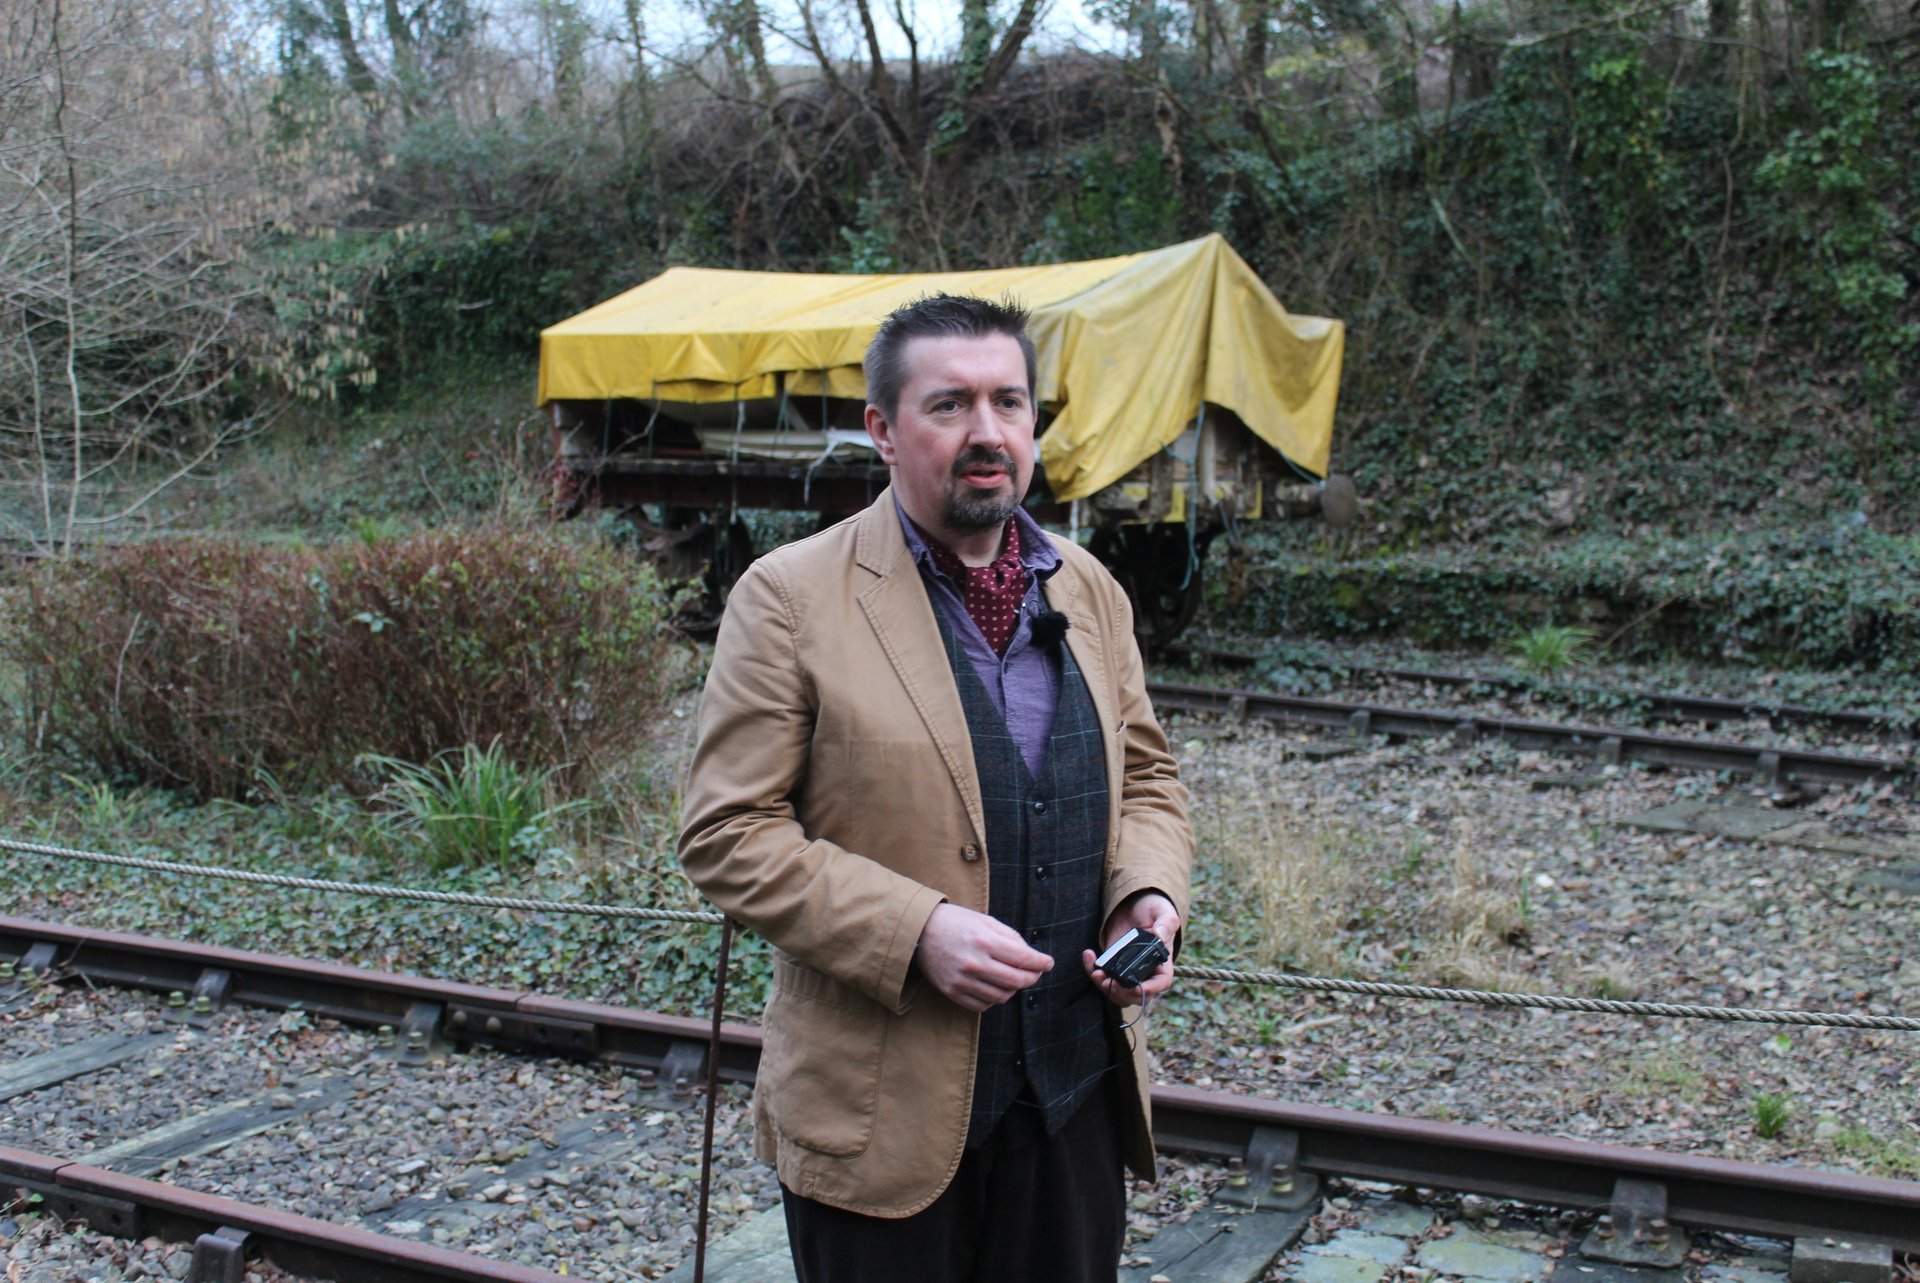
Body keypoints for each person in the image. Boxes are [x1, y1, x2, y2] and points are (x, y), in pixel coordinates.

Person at [677, 293, 1192, 1283]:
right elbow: (727, 831)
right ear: (883, 428)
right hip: (878, 1117)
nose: (987, 432)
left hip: (1073, 1099)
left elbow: (1149, 777)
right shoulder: (789, 597)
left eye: (1010, 402)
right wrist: (912, 931)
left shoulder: (1090, 589)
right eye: (949, 404)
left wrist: (1148, 892)